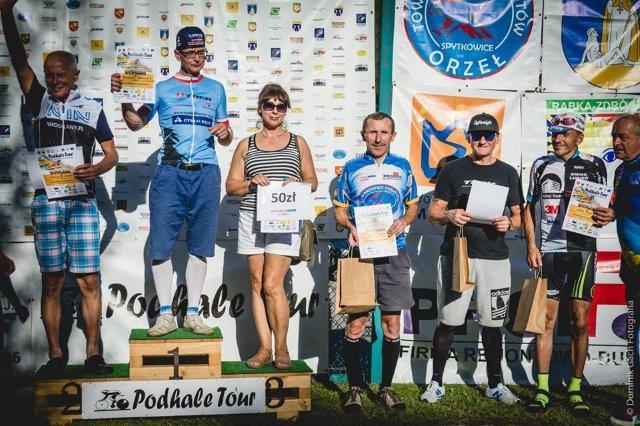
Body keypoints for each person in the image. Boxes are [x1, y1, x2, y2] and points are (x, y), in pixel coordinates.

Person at [1, 0, 117, 374]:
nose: (54, 80)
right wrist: (5, 12)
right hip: (47, 201)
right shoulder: (38, 99)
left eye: (61, 74)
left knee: (89, 281)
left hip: (82, 202)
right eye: (50, 74)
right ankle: (55, 356)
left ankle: (94, 353)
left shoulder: (93, 109)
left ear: (75, 74)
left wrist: (96, 168)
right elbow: (19, 60)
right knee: (51, 280)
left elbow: (111, 154)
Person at [111, 26, 233, 336]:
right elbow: (136, 124)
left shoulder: (216, 88)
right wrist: (124, 99)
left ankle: (192, 313)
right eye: (191, 53)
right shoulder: (161, 89)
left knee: (200, 246)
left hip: (206, 172)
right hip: (170, 172)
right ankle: (165, 315)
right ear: (177, 54)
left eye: (201, 52)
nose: (197, 58)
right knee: (161, 246)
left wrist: (225, 133)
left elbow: (226, 135)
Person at [422, 113, 523, 405]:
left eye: (488, 135)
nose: (482, 140)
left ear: (497, 138)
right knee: (448, 321)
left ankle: (495, 384)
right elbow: (433, 214)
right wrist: (449, 214)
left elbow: (518, 216)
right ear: (468, 138)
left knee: (493, 324)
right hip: (457, 256)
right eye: (477, 135)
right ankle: (436, 382)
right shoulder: (452, 170)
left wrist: (509, 223)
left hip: (495, 259)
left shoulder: (508, 172)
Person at [522, 113, 614, 415]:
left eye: (565, 133)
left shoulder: (594, 164)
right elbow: (528, 207)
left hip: (582, 250)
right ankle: (543, 389)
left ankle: (575, 389)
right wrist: (531, 245)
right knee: (545, 322)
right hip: (549, 251)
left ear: (579, 138)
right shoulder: (540, 164)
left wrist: (607, 214)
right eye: (555, 133)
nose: (558, 138)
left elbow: (605, 207)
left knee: (579, 322)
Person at [226, 84, 317, 369]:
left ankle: (282, 348)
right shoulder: (246, 144)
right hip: (251, 217)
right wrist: (250, 183)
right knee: (256, 284)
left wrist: (298, 183)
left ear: (286, 110)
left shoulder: (298, 142)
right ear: (260, 109)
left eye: (280, 106)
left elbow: (313, 182)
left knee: (272, 284)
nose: (275, 111)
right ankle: (264, 348)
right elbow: (231, 186)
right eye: (269, 105)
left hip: (284, 218)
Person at [333, 112, 419, 411]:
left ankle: (386, 388)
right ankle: (354, 388)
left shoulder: (403, 167)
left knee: (392, 324)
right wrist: (350, 226)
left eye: (384, 132)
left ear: (393, 136)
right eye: (372, 132)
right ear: (364, 135)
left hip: (395, 251)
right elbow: (340, 210)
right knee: (356, 324)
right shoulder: (351, 168)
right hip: (362, 254)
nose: (378, 138)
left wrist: (403, 221)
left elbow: (412, 207)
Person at [609, 114, 640, 426]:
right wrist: (609, 213)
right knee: (635, 337)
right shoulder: (621, 170)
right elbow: (622, 210)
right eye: (614, 136)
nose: (616, 142)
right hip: (631, 267)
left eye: (623, 137)